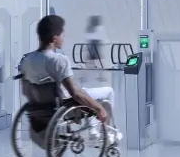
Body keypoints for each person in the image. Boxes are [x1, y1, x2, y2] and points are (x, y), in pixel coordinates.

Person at [19, 15, 121, 146]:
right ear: (55, 38)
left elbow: (25, 89)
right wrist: (98, 108)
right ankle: (98, 132)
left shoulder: (27, 60)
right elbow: (75, 93)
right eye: (62, 35)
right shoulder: (59, 60)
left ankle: (96, 128)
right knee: (108, 92)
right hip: (64, 104)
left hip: (39, 106)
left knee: (85, 91)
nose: (63, 38)